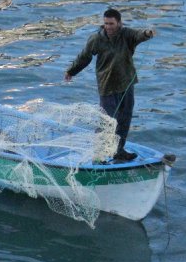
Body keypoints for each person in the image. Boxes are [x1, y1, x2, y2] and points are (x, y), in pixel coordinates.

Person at [64, 8, 154, 162]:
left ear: (119, 23)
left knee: (124, 119)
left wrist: (147, 33)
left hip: (127, 83)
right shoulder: (96, 39)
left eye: (112, 24)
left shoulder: (126, 34)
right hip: (107, 85)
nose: (108, 27)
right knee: (106, 121)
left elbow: (138, 35)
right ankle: (98, 155)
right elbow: (84, 57)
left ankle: (118, 151)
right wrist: (71, 71)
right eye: (106, 23)